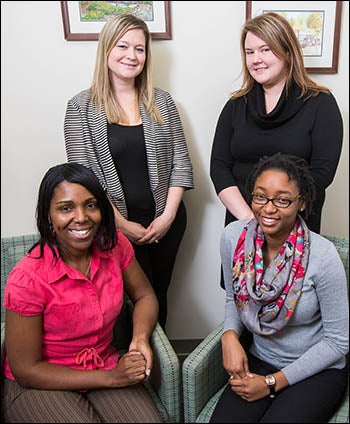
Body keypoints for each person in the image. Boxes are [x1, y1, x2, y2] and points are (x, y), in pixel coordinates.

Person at [2, 162, 163, 423]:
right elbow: (26, 370)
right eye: (66, 208)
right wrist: (112, 378)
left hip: (104, 362)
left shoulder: (115, 245)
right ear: (48, 217)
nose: (81, 217)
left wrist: (140, 339)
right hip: (41, 381)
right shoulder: (27, 278)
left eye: (90, 205)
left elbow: (145, 296)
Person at [64, 13, 194, 331]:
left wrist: (167, 217)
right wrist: (120, 224)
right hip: (112, 226)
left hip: (166, 223)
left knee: (158, 296)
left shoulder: (162, 102)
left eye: (140, 48)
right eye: (123, 46)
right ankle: (126, 367)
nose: (131, 56)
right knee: (121, 302)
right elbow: (84, 181)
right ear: (107, 49)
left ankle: (157, 372)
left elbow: (181, 163)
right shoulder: (80, 107)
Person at [209, 152, 349, 423]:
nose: (268, 208)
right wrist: (229, 337)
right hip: (260, 359)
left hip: (316, 371)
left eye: (282, 200)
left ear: (302, 202)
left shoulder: (323, 255)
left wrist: (271, 383)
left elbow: (338, 341)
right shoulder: (233, 238)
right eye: (260, 196)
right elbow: (233, 299)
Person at [210, 11, 343, 251]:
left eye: (265, 49)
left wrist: (275, 216)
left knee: (295, 290)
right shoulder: (235, 106)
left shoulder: (320, 103)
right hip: (242, 225)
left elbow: (322, 172)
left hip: (297, 228)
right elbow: (219, 167)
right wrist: (250, 220)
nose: (256, 59)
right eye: (249, 52)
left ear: (288, 52)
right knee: (240, 289)